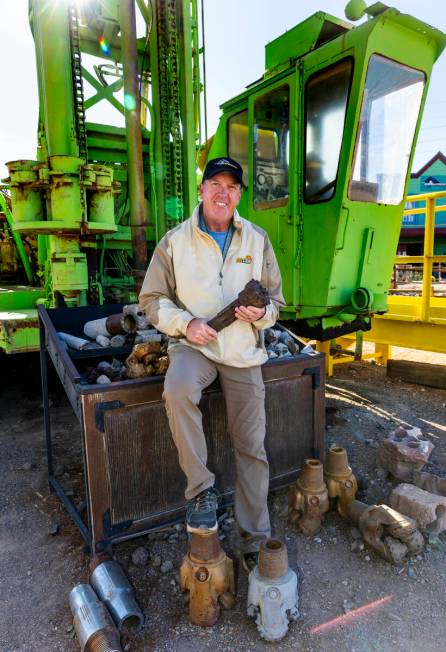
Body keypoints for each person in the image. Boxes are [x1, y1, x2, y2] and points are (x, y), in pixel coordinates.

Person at [139, 156, 284, 571]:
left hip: (241, 350)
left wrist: (262, 315)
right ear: (201, 191)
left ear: (239, 195)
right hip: (195, 345)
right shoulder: (175, 241)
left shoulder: (257, 240)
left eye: (232, 187)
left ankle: (254, 536)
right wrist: (187, 324)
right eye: (215, 184)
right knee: (178, 388)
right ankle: (201, 489)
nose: (223, 193)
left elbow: (275, 300)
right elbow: (151, 299)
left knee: (252, 446)